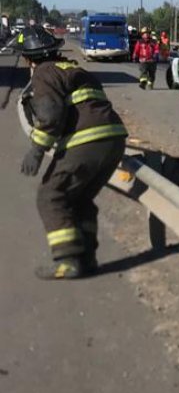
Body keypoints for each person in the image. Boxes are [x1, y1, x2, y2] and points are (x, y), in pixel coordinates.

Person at [12, 25, 128, 279]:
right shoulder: (76, 70)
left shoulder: (44, 72)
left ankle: (67, 261)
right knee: (79, 200)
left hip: (88, 141)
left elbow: (51, 115)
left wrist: (37, 150)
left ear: (28, 58)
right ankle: (86, 257)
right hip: (114, 140)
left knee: (50, 195)